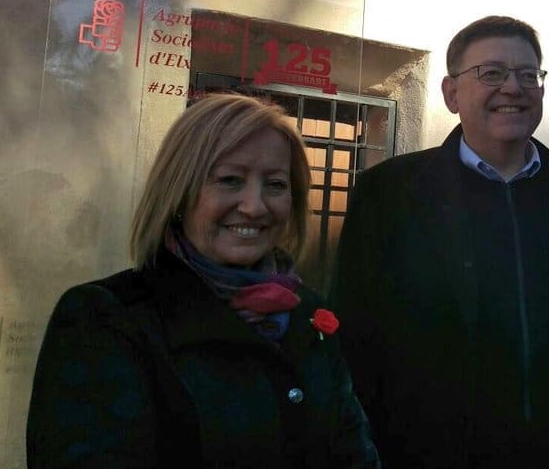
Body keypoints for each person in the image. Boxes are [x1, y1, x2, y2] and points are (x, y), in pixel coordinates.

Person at [334, 15, 549, 468]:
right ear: (451, 94)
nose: (512, 87)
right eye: (491, 73)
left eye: (527, 75)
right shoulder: (388, 197)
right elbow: (353, 341)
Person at [27, 94, 379, 468]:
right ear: (179, 193)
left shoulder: (308, 314)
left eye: (275, 184)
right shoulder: (107, 320)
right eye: (229, 180)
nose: (255, 206)